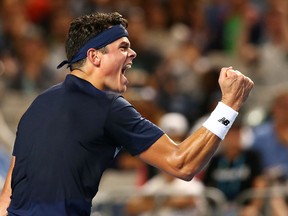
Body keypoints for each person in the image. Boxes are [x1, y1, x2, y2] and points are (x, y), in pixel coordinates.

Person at [0, 11, 254, 216]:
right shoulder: (107, 106)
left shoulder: (38, 104)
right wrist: (229, 105)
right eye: (123, 47)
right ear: (94, 56)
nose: (132, 53)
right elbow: (183, 163)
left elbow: (8, 194)